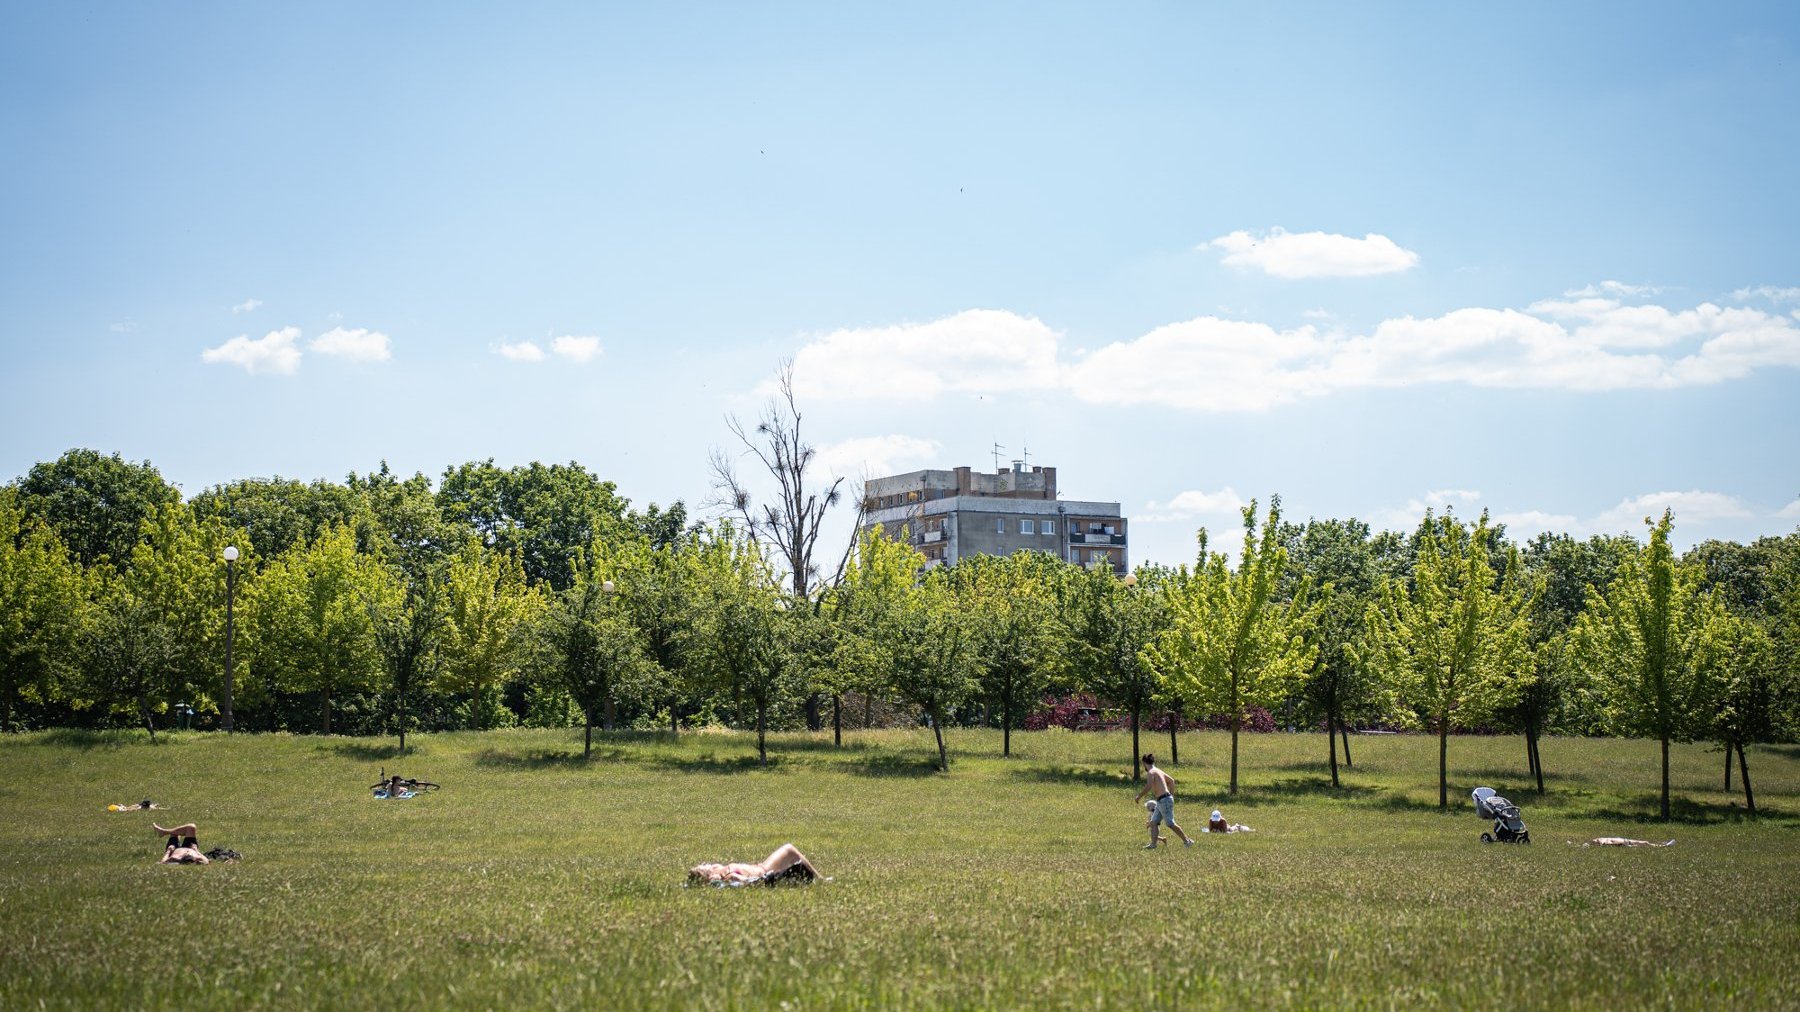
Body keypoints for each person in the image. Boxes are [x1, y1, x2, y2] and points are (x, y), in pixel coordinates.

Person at [1133, 753, 1193, 848]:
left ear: (1144, 762)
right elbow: (1171, 781)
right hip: (1162, 801)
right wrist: (1170, 795)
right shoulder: (1158, 771)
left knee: (1170, 823)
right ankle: (1153, 845)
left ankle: (1187, 841)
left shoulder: (1151, 772)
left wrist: (1139, 796)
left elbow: (1149, 786)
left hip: (1164, 800)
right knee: (1153, 822)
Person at [688, 844, 821, 887]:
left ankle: (819, 878)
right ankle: (820, 879)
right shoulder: (727, 877)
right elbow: (744, 882)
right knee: (789, 849)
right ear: (708, 875)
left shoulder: (717, 868)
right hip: (765, 870)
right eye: (704, 867)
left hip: (761, 866)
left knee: (790, 850)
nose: (707, 865)